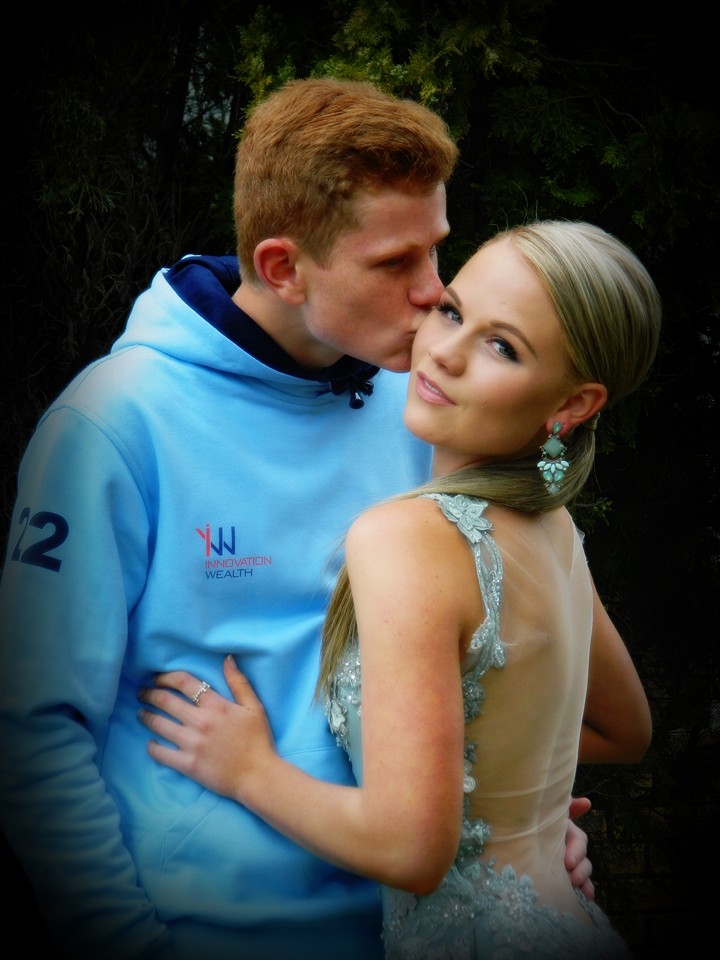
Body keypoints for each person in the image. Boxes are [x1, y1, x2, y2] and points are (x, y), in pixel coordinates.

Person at [0, 75, 614, 960]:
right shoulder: (109, 424)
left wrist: (519, 827)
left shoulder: (427, 406)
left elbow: (511, 659)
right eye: (396, 264)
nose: (433, 293)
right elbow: (35, 736)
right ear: (285, 268)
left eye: (436, 252)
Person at [137, 219, 659, 959]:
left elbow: (413, 852)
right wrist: (513, 795)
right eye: (452, 310)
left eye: (503, 347)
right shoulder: (556, 529)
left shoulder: (404, 538)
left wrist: (250, 771)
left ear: (572, 406)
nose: (444, 351)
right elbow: (626, 730)